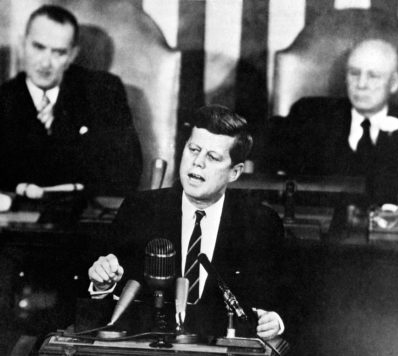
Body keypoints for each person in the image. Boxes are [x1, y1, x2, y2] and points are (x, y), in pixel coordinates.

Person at [88, 105, 288, 341]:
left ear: (235, 172)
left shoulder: (261, 223)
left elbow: (283, 302)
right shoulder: (139, 210)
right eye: (193, 149)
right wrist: (102, 285)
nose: (197, 163)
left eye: (212, 157)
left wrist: (275, 321)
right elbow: (108, 302)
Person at [0, 5, 142, 197]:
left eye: (58, 52)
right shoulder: (4, 99)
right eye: (38, 47)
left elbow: (125, 172)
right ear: (23, 44)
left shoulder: (103, 92)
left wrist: (64, 129)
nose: (45, 63)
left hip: (84, 218)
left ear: (72, 55)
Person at [282, 38, 398, 204]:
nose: (361, 84)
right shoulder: (309, 117)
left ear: (394, 83)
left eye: (373, 76)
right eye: (354, 73)